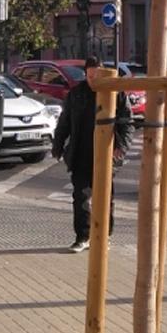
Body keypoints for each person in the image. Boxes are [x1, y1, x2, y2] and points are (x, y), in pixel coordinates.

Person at [51, 56, 133, 253]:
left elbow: (126, 123)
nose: (93, 80)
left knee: (105, 198)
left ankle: (105, 235)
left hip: (106, 154)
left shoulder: (116, 93)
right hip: (81, 153)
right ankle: (82, 237)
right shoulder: (76, 94)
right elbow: (65, 121)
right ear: (85, 74)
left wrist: (120, 146)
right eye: (89, 76)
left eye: (96, 75)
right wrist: (58, 144)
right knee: (80, 197)